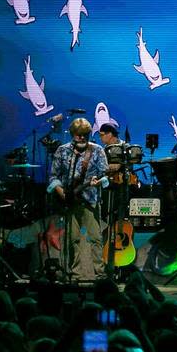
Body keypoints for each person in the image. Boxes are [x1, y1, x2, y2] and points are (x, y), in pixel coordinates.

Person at [47, 118, 108, 281]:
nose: (81, 138)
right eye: (78, 135)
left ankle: (100, 274)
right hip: (69, 201)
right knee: (72, 239)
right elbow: (53, 177)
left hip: (90, 200)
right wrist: (62, 193)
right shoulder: (62, 150)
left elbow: (105, 176)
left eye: (84, 135)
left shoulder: (97, 150)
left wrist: (97, 182)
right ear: (72, 134)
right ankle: (73, 274)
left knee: (95, 238)